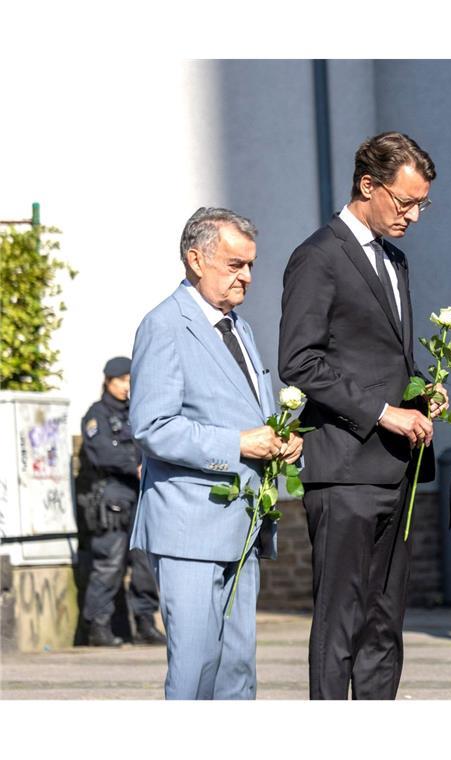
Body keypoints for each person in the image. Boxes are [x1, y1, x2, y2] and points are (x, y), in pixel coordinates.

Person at [278, 131, 447, 700]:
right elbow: (298, 361)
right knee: (340, 626)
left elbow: (381, 356)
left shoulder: (394, 260)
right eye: (405, 202)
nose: (414, 216)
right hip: (344, 469)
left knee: (383, 628)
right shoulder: (318, 256)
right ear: (367, 185)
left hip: (394, 468)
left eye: (423, 203)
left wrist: (423, 392)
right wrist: (382, 413)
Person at [129, 207, 302, 699]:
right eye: (234, 265)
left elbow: (249, 409)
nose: (246, 277)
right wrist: (237, 443)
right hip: (189, 525)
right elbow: (152, 425)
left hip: (242, 520)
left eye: (250, 265)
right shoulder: (164, 325)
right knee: (196, 669)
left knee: (237, 670)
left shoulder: (238, 327)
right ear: (195, 259)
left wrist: (283, 437)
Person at [76, 356, 164, 647]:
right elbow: (101, 452)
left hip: (140, 498)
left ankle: (145, 624)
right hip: (111, 500)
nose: (127, 386)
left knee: (145, 565)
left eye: (130, 380)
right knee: (109, 566)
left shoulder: (138, 413)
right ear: (108, 381)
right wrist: (133, 465)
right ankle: (98, 628)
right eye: (121, 380)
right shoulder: (96, 414)